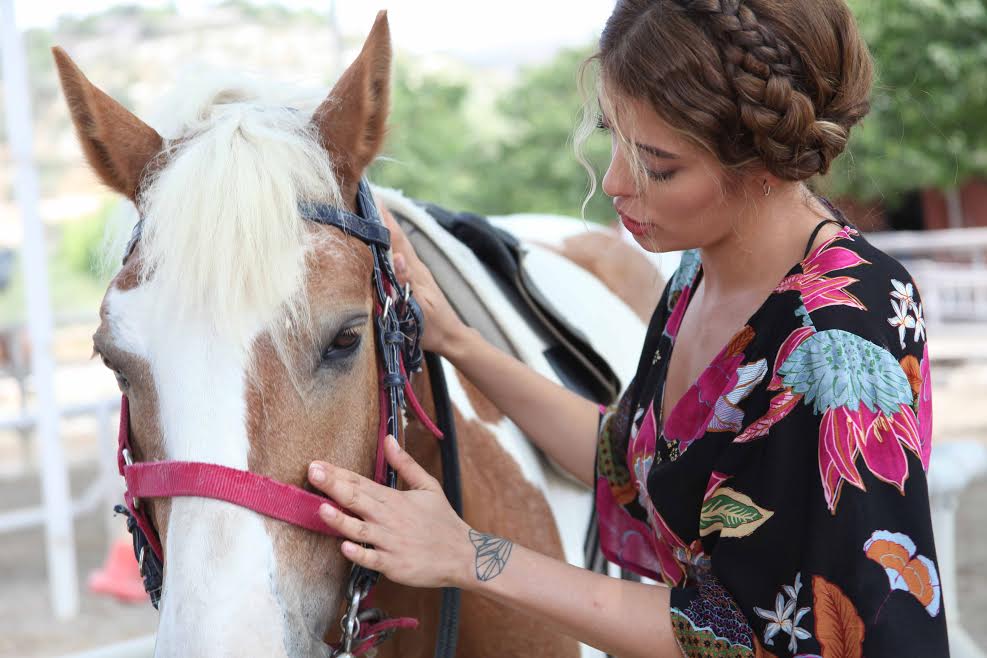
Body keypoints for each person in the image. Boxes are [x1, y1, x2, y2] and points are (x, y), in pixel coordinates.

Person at [305, 1, 949, 655]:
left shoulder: (837, 339)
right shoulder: (699, 269)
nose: (615, 182)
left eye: (658, 166)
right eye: (612, 135)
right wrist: (455, 340)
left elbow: (746, 638)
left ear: (763, 163)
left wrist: (467, 553)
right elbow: (631, 458)